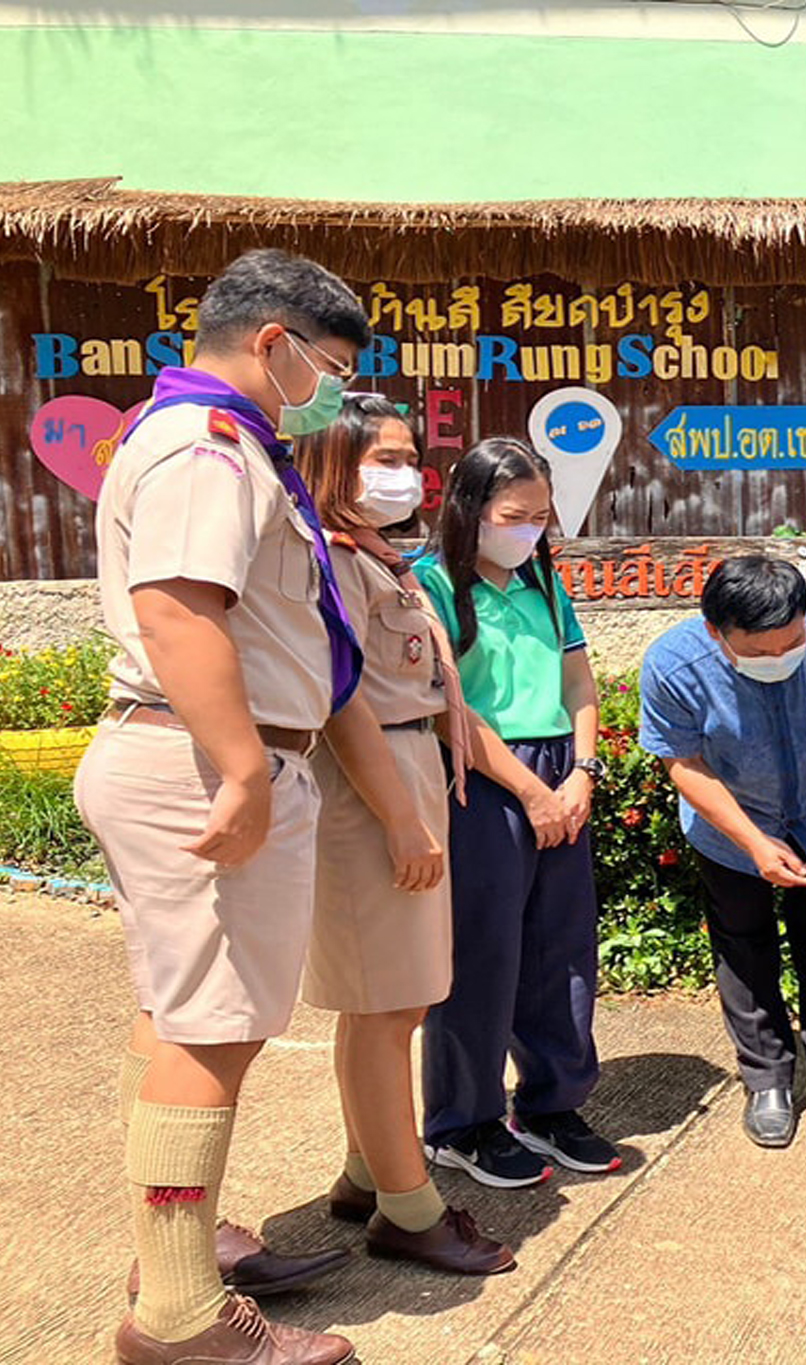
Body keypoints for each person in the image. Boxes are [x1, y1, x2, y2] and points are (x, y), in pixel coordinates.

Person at [74, 249, 365, 1365]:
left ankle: (179, 1250)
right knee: (212, 1025)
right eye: (330, 369)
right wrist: (245, 770)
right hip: (207, 764)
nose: (332, 394)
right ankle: (184, 1321)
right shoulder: (208, 450)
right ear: (275, 345)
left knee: (182, 1017)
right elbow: (181, 616)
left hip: (197, 757)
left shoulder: (209, 441)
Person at [291, 396, 513, 1275]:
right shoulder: (332, 561)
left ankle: (365, 1170)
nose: (403, 471)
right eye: (381, 455)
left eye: (410, 455)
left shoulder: (384, 559)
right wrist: (401, 819)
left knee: (400, 998)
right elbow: (345, 703)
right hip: (371, 785)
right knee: (385, 1007)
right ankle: (409, 1208)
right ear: (329, 463)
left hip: (408, 767)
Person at [639, 556, 806, 1149]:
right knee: (743, 948)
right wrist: (752, 841)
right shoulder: (673, 663)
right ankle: (767, 1081)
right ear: (716, 632)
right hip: (731, 826)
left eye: (792, 644)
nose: (779, 660)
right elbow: (683, 763)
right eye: (759, 654)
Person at [415, 438, 620, 1187]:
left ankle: (551, 1103)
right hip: (482, 779)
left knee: (561, 948)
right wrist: (529, 791)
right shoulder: (427, 585)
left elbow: (578, 676)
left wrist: (581, 773)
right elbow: (447, 706)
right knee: (483, 952)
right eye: (513, 514)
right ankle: (461, 1121)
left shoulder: (542, 576)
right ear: (469, 508)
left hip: (562, 770)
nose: (530, 528)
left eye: (540, 515)